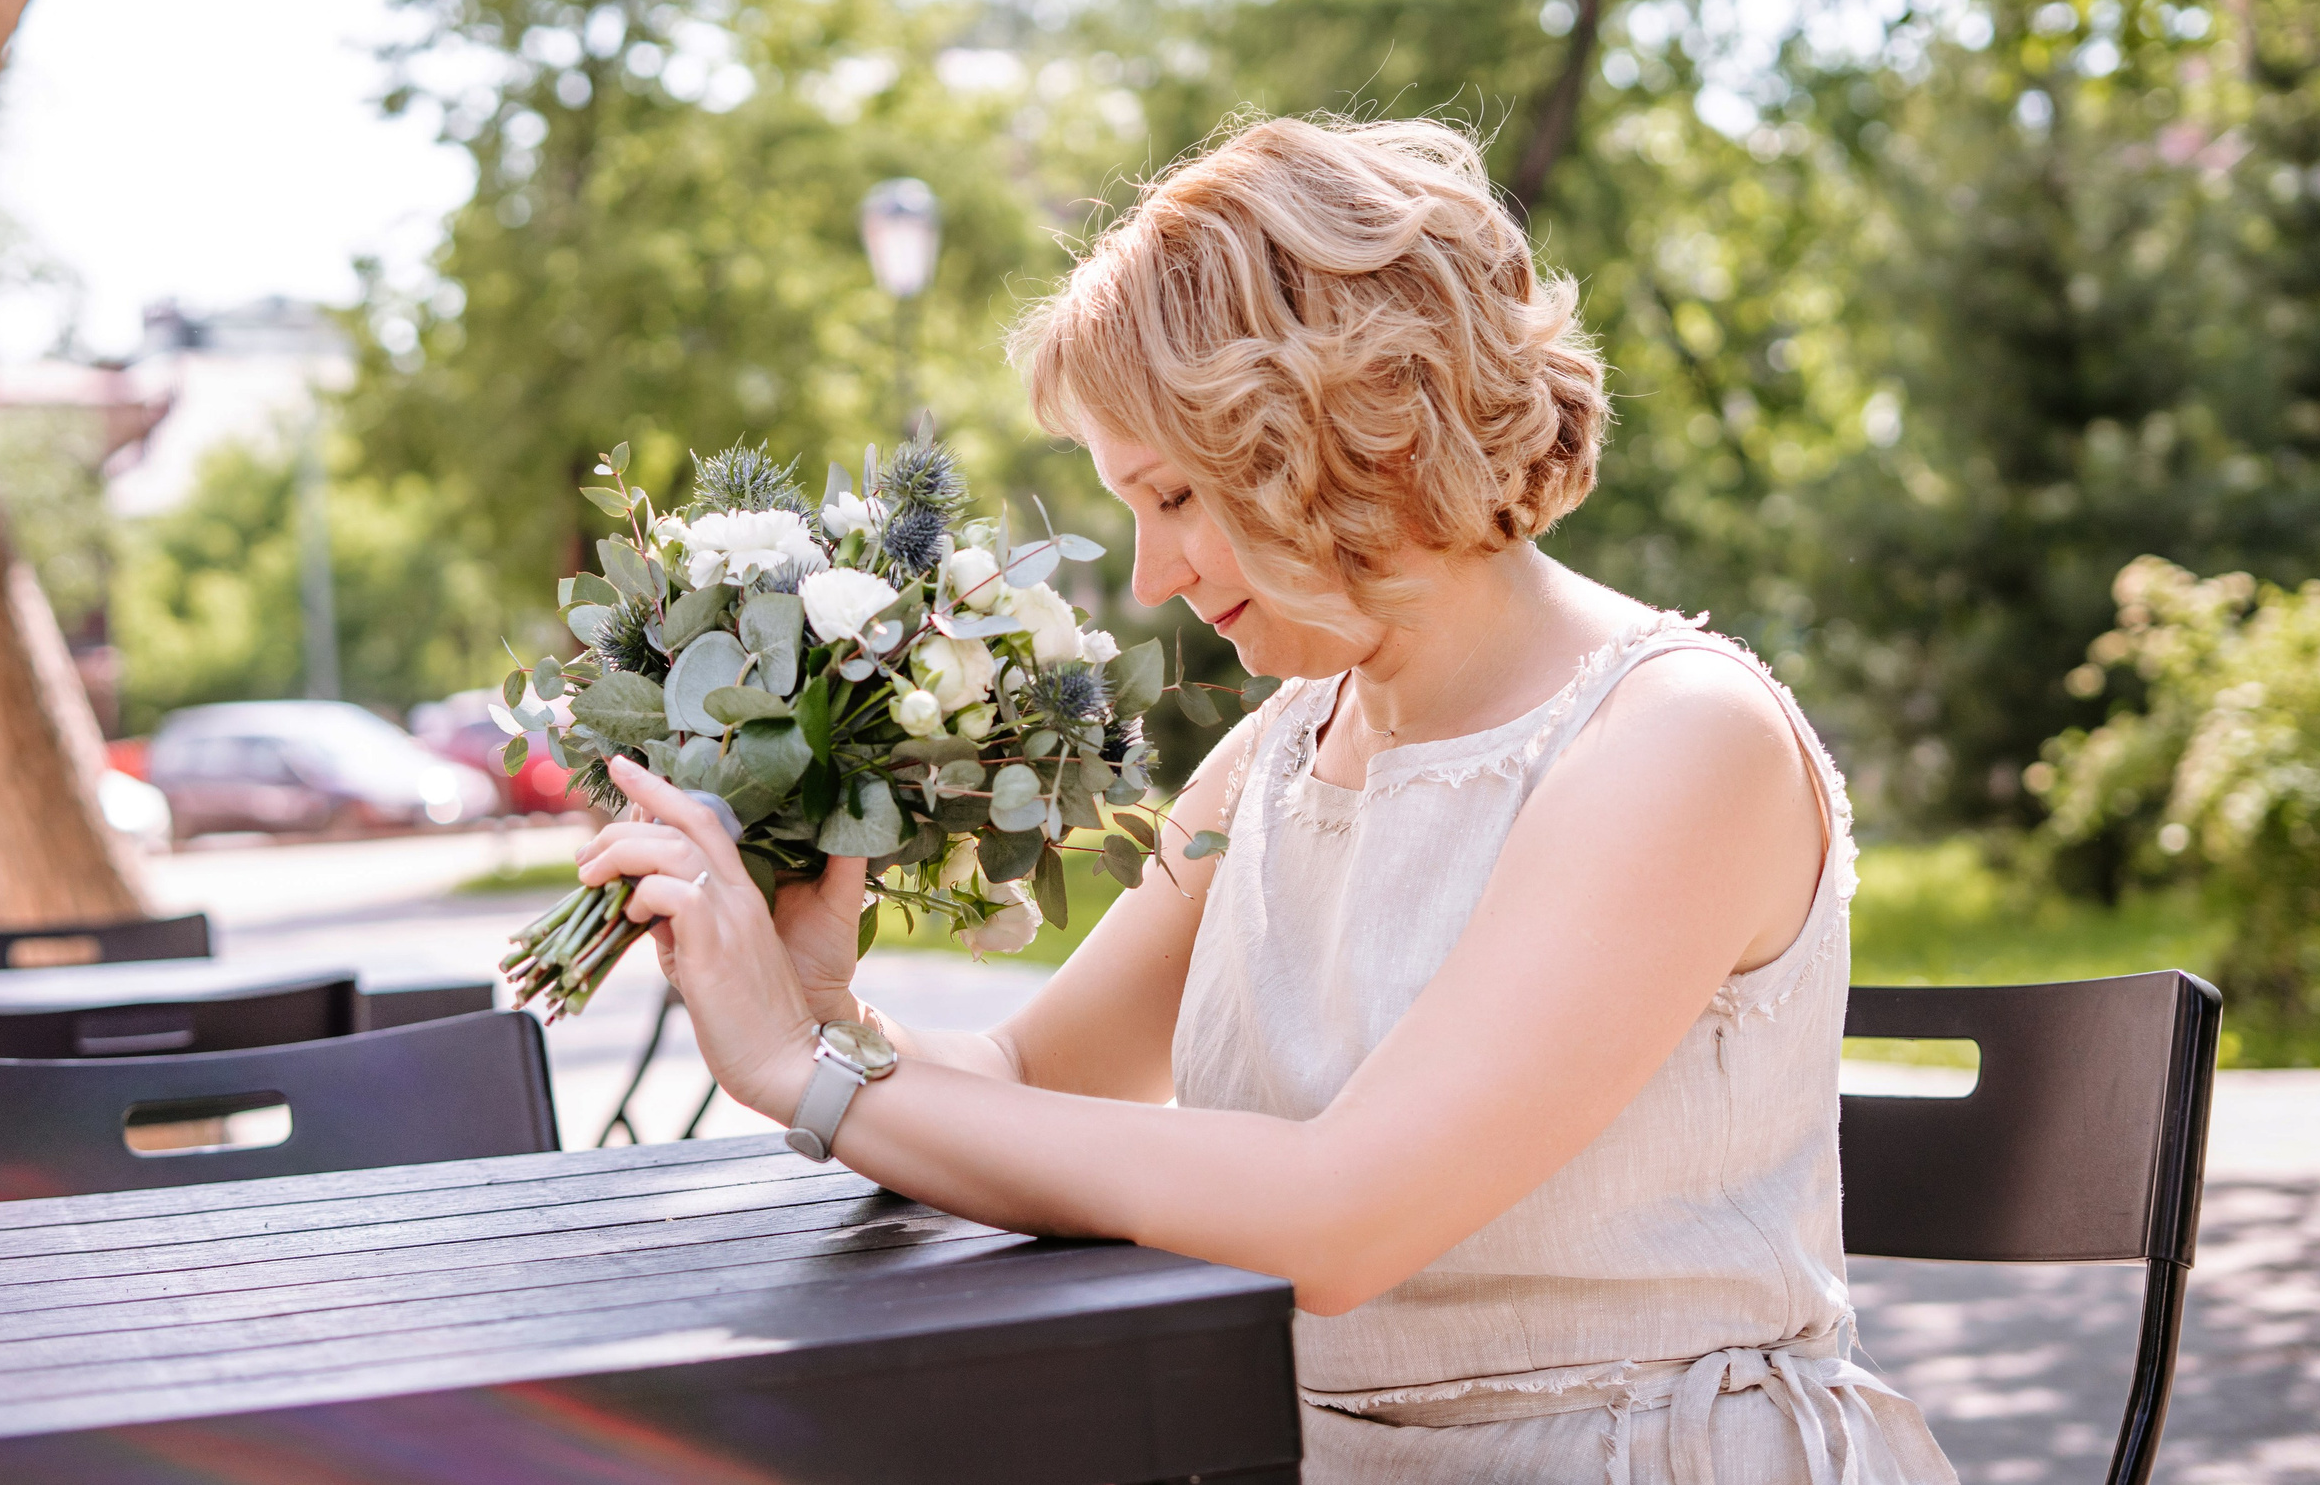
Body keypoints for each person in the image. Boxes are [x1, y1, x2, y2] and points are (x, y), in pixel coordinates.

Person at [576, 116, 1958, 1483]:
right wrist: (826, 1014)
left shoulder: (1675, 741)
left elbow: (1338, 1218)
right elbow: (1029, 1081)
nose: (1148, 577)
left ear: (1347, 429)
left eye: (1174, 494)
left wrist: (802, 1079)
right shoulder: (1281, 754)